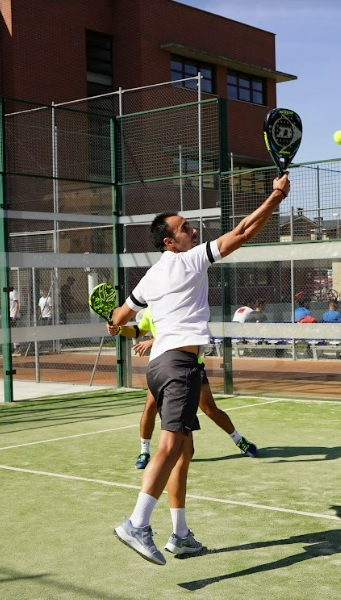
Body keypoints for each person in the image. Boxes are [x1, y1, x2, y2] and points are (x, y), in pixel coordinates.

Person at [105, 172, 290, 565]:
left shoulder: (151, 276)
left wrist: (115, 321)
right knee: (171, 446)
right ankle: (137, 524)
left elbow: (121, 316)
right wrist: (276, 197)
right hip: (178, 365)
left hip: (159, 366)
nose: (193, 231)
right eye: (185, 228)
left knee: (184, 451)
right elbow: (242, 232)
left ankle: (181, 534)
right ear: (170, 242)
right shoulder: (189, 259)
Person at [132, 307, 258, 471]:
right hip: (163, 368)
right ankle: (144, 451)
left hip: (191, 366)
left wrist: (152, 341)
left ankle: (239, 440)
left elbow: (180, 334)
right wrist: (118, 328)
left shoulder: (178, 305)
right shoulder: (149, 312)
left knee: (210, 409)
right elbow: (138, 331)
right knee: (150, 407)